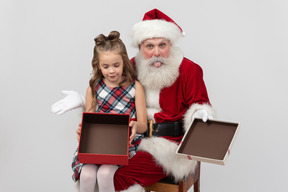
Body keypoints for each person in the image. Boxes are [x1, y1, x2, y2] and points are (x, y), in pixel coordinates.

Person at [51, 9, 215, 192]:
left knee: (115, 177)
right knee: (95, 173)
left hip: (169, 145)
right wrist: (84, 101)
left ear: (171, 44)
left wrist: (202, 114)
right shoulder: (131, 67)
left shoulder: (188, 69)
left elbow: (201, 104)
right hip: (131, 142)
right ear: (140, 47)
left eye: (162, 45)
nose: (156, 53)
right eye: (149, 46)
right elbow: (110, 97)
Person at [70, 30, 147, 192]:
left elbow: (143, 125)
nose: (111, 71)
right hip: (98, 144)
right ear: (98, 65)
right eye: (105, 66)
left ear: (124, 62)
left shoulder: (135, 88)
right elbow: (90, 121)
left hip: (122, 144)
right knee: (87, 175)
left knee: (105, 174)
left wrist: (135, 126)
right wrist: (82, 130)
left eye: (116, 65)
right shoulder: (94, 88)